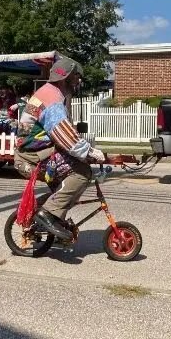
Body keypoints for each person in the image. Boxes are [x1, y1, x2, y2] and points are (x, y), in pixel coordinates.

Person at [13, 57, 104, 241]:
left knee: (65, 188)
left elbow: (64, 134)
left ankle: (44, 214)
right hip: (32, 157)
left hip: (34, 152)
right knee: (81, 174)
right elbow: (64, 135)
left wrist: (85, 151)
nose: (79, 81)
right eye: (77, 76)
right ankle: (47, 214)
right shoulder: (53, 99)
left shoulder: (49, 93)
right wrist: (88, 153)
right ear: (67, 77)